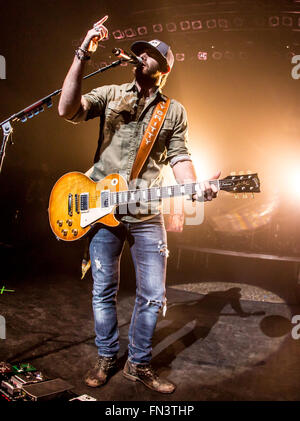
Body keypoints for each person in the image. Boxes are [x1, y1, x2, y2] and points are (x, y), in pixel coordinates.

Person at [58, 19, 220, 394]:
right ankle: (106, 357)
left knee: (153, 295)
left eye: (148, 54)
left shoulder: (174, 111)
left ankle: (139, 364)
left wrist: (194, 187)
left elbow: (180, 157)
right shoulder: (112, 92)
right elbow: (67, 109)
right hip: (100, 208)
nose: (139, 56)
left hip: (147, 212)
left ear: (163, 69)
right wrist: (83, 52)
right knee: (103, 290)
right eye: (139, 52)